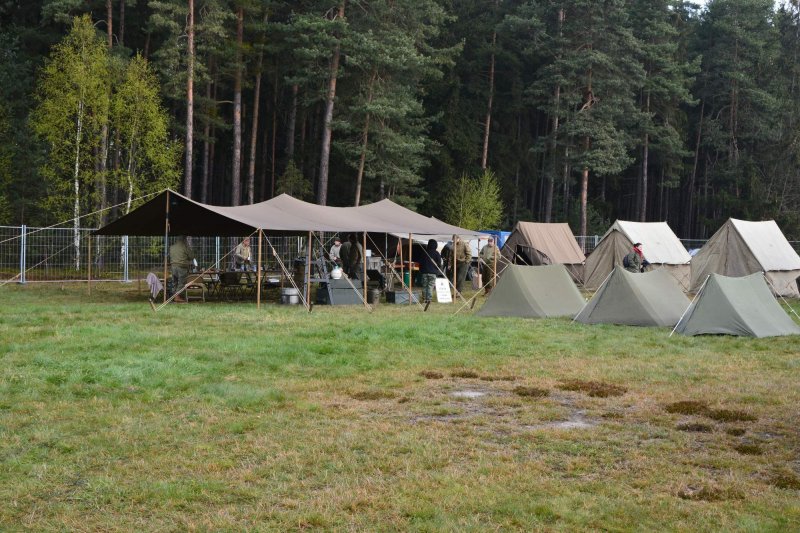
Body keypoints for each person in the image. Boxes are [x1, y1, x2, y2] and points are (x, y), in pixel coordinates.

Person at [169, 235, 194, 302]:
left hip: (173, 266)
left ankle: (173, 296)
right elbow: (191, 256)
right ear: (184, 239)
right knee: (181, 282)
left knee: (175, 282)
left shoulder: (172, 247)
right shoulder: (185, 246)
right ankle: (177, 297)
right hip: (182, 266)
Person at [418, 239, 443, 304]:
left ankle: (424, 299)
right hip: (433, 273)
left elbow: (420, 263)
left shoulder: (424, 252)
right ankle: (429, 299)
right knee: (430, 286)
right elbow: (439, 264)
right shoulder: (437, 253)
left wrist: (421, 270)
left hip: (424, 272)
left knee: (424, 286)